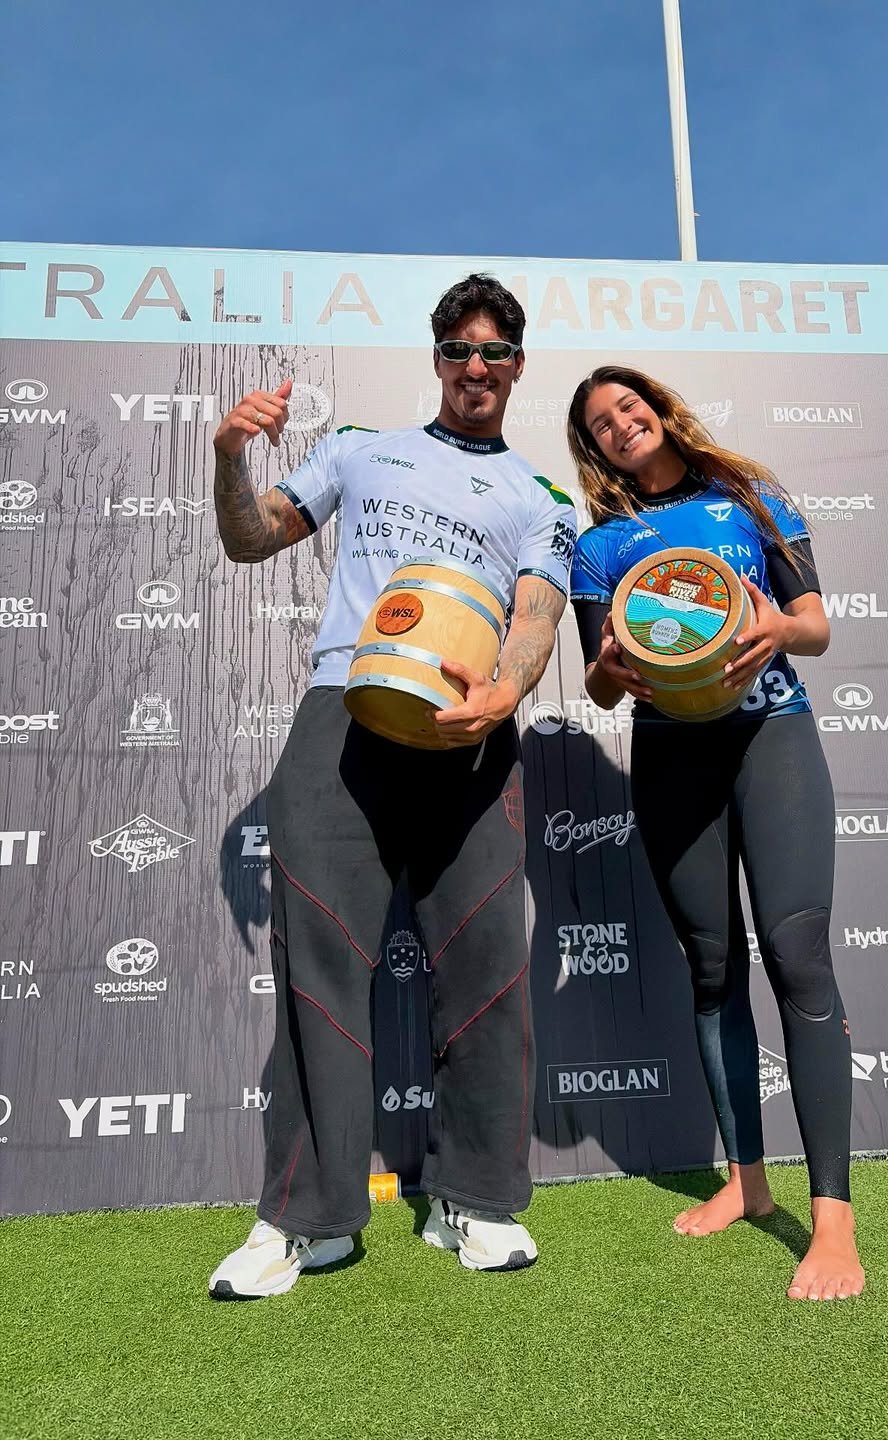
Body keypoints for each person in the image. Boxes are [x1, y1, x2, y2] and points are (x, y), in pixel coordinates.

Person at [208, 274, 576, 1298]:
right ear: (437, 358)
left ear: (517, 365)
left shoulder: (542, 497)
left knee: (489, 965)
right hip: (346, 714)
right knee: (319, 972)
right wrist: (230, 454)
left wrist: (503, 695)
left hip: (471, 730)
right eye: (458, 349)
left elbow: (537, 617)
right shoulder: (361, 447)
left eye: (493, 352)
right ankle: (305, 1221)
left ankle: (477, 1201)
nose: (475, 367)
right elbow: (250, 537)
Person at [566, 366, 864, 1302]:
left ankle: (832, 1220)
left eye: (629, 407)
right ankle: (747, 1181)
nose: (621, 425)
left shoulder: (750, 495)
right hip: (671, 755)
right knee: (710, 966)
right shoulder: (599, 547)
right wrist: (610, 665)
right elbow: (601, 684)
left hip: (773, 735)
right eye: (600, 425)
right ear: (593, 448)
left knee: (798, 956)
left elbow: (815, 625)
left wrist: (777, 628)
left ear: (657, 408)